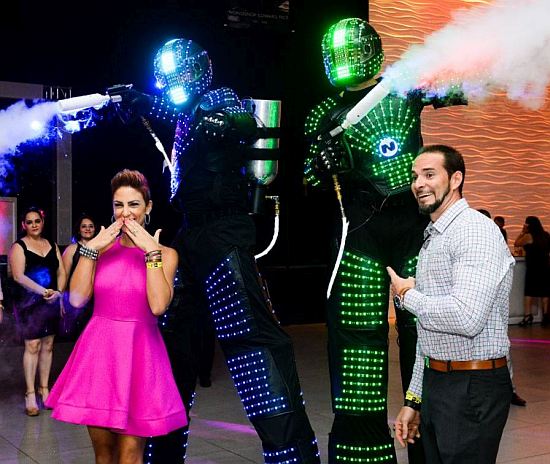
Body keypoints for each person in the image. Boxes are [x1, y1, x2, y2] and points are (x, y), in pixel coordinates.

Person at [109, 38, 320, 463]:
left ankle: (292, 456)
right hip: (192, 238)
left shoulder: (215, 98)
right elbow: (173, 111)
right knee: (174, 349)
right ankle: (162, 455)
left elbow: (244, 121)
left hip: (224, 233)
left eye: (177, 76)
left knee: (254, 346)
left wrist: (223, 121)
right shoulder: (184, 114)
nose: (173, 85)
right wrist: (140, 103)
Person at [304, 18, 465, 463]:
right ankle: (363, 453)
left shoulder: (403, 89)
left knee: (426, 335)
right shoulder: (324, 113)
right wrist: (323, 165)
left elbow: (462, 87)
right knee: (359, 348)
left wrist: (439, 72)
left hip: (414, 229)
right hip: (360, 234)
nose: (345, 61)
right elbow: (304, 178)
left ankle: (429, 447)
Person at [46, 169, 187, 463]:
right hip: (99, 354)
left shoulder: (165, 254)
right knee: (104, 453)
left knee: (130, 454)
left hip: (141, 353)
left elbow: (159, 306)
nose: (125, 213)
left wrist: (151, 253)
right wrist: (91, 250)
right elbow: (77, 298)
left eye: (134, 204)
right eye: (118, 205)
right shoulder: (100, 249)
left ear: (148, 207)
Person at [387, 144, 514, 463]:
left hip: (472, 387)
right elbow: (428, 334)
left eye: (429, 174)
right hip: (439, 382)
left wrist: (407, 295)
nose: (418, 183)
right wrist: (414, 399)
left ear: (455, 179)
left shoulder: (473, 231)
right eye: (415, 176)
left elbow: (465, 318)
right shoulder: (436, 235)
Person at [8, 206, 66, 417]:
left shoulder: (51, 245)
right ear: (24, 225)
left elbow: (60, 270)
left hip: (50, 301)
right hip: (29, 303)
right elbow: (18, 276)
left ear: (42, 222)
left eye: (37, 221)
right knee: (32, 345)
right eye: (29, 222)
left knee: (48, 345)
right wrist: (44, 292)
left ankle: (44, 390)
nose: (34, 225)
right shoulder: (18, 247)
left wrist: (59, 292)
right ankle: (30, 393)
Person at [59, 214, 97, 339]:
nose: (87, 229)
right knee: (79, 337)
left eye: (90, 226)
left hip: (96, 300)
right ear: (79, 229)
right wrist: (61, 299)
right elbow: (63, 274)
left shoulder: (101, 249)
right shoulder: (72, 249)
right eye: (84, 226)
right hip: (76, 299)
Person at [514, 216, 550, 327]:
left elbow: (516, 243)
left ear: (528, 225)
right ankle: (546, 316)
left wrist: (522, 232)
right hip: (545, 267)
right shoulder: (546, 235)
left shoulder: (529, 236)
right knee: (545, 293)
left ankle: (528, 316)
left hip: (533, 268)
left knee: (529, 292)